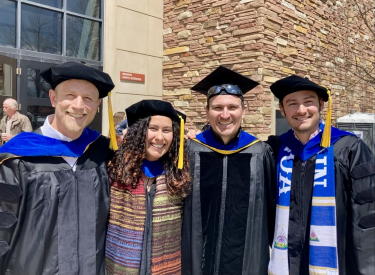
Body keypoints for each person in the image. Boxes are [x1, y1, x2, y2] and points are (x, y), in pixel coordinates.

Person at [0, 62, 116, 275]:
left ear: (98, 104)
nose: (79, 105)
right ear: (53, 98)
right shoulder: (16, 158)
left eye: (88, 98)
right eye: (70, 95)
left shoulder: (103, 152)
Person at [267, 75, 375, 275]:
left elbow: (366, 216)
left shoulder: (350, 149)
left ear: (321, 105)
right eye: (292, 104)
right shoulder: (275, 149)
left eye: (308, 102)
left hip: (337, 261)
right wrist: (202, 136)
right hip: (288, 261)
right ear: (282, 110)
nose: (301, 110)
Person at [181, 66, 276, 275]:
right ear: (207, 112)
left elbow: (272, 210)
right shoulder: (190, 150)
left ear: (244, 110)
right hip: (196, 260)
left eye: (232, 107)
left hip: (247, 262)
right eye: (217, 108)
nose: (225, 115)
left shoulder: (260, 153)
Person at [105, 100, 191, 275]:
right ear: (138, 131)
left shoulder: (179, 174)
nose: (160, 137)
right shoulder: (114, 171)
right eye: (153, 128)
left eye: (167, 130)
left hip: (167, 267)